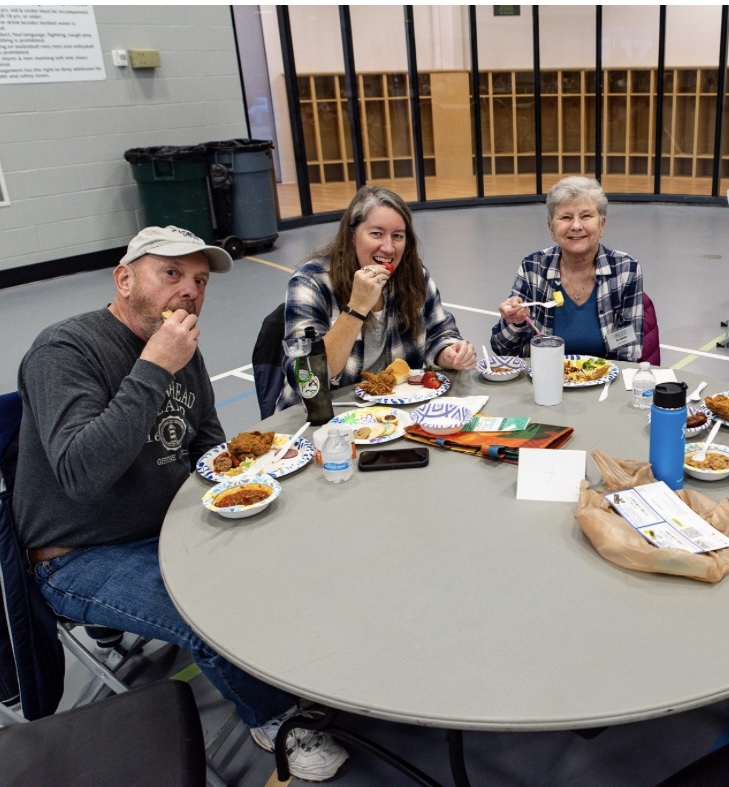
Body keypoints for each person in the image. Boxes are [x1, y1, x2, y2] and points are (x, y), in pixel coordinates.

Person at [14, 226, 349, 782]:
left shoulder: (182, 350)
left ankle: (290, 664)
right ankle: (275, 720)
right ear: (124, 279)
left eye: (198, 280)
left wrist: (266, 471)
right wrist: (154, 367)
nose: (190, 290)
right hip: (79, 553)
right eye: (171, 274)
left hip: (166, 523)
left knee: (294, 545)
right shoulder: (65, 350)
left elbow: (206, 451)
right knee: (210, 613)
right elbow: (81, 474)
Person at [277, 185, 475, 410]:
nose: (389, 248)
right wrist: (357, 307)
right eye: (377, 234)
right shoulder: (311, 282)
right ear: (352, 236)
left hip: (392, 414)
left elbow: (441, 332)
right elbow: (308, 380)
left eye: (398, 236)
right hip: (321, 417)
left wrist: (447, 353)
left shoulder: (414, 276)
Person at [492, 176, 644, 361]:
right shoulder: (533, 267)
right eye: (566, 217)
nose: (576, 226)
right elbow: (501, 348)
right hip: (543, 379)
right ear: (551, 229)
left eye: (586, 216)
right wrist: (514, 322)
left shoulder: (625, 269)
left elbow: (628, 351)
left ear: (602, 225)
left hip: (603, 381)